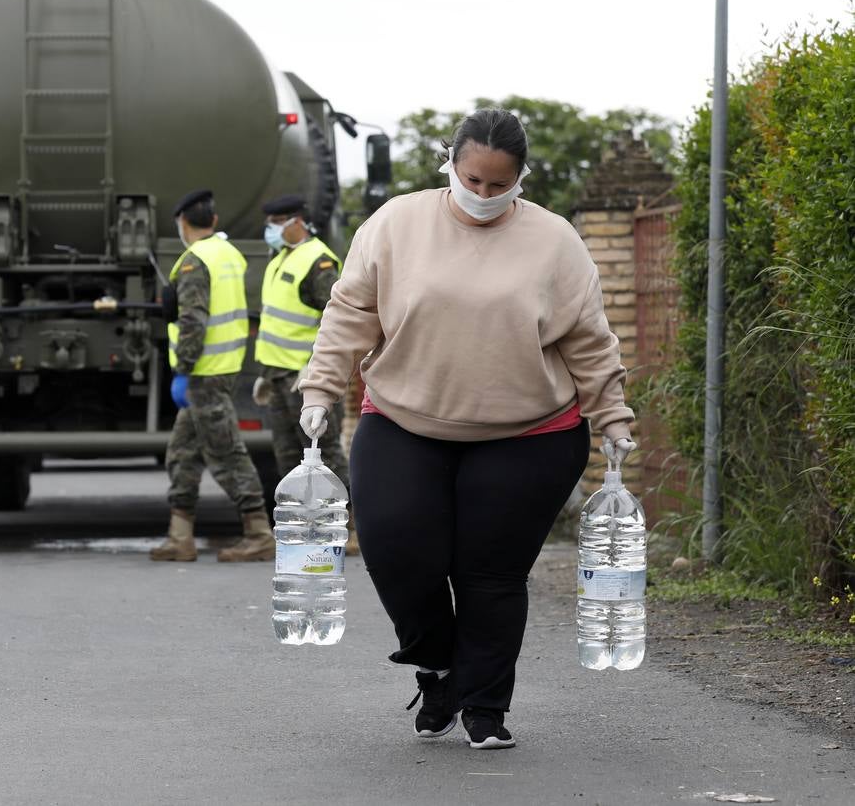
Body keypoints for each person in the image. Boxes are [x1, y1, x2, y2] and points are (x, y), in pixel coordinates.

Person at [297, 108, 637, 750]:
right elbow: (349, 312)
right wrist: (321, 385)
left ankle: (485, 707)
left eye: (499, 185)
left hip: (528, 431)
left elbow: (589, 338)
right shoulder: (397, 223)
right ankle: (439, 667)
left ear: (520, 178)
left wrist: (611, 410)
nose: (483, 195)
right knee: (397, 548)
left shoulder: (555, 241)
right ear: (449, 165)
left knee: (489, 573)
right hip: (404, 417)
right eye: (472, 180)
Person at [150, 189, 271, 563]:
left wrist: (183, 371)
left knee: (226, 453)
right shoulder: (228, 255)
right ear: (214, 221)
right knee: (182, 453)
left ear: (183, 223)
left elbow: (193, 321)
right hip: (223, 369)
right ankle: (179, 536)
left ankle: (258, 534)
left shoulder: (194, 262)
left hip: (203, 373)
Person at [251, 193, 356, 554]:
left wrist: (316, 365)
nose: (271, 230)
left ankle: (351, 527)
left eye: (277, 223)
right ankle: (304, 530)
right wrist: (265, 372)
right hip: (278, 375)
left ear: (296, 222)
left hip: (306, 378)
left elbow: (337, 318)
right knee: (287, 456)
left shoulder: (319, 262)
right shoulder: (282, 258)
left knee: (324, 453)